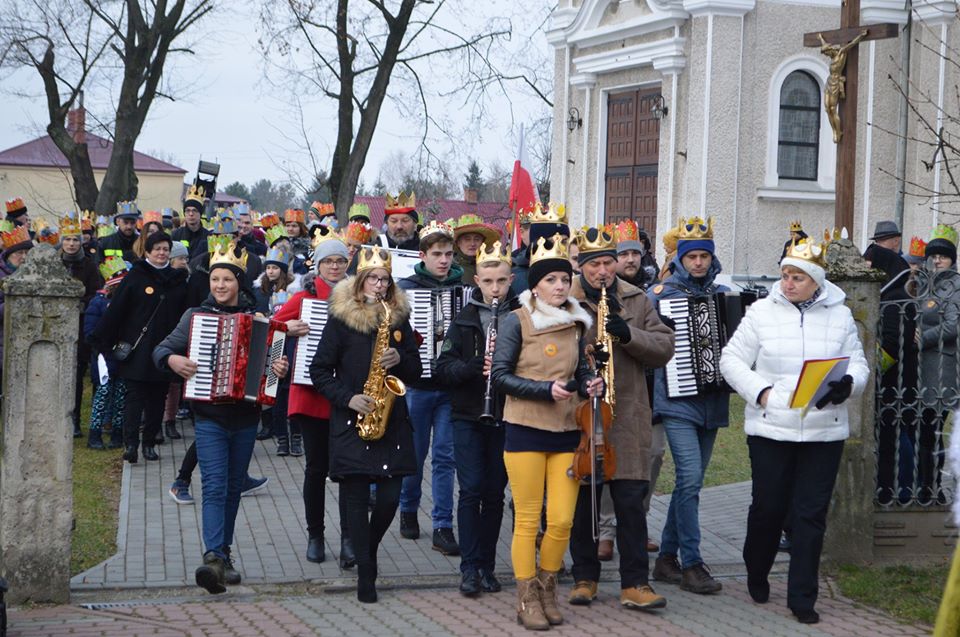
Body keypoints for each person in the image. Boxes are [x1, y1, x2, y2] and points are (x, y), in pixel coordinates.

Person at [719, 237, 868, 624]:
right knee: (768, 507)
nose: (788, 283)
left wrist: (848, 383)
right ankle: (757, 568)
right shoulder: (760, 313)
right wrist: (761, 392)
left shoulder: (840, 314)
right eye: (785, 275)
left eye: (797, 277)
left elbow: (859, 362)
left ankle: (803, 596)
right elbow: (731, 360)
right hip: (771, 428)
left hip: (824, 430)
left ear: (815, 281)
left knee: (810, 514)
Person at [154, 241, 290, 594]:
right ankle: (212, 555)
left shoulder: (259, 319)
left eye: (227, 279)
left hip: (245, 416)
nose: (219, 286)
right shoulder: (195, 317)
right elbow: (162, 349)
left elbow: (273, 373)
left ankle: (223, 557)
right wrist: (173, 362)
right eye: (215, 279)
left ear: (238, 283)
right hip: (209, 415)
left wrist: (278, 368)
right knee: (214, 485)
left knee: (232, 488)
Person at [491, 233, 603, 630]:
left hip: (567, 431)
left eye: (564, 279)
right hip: (524, 429)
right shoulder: (516, 321)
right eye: (551, 280)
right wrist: (543, 390)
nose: (559, 286)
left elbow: (582, 370)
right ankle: (526, 599)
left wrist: (593, 383)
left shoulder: (577, 323)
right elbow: (500, 377)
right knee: (526, 520)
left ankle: (547, 587)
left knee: (560, 521)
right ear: (534, 285)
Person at [567, 227, 675, 612]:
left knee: (631, 502)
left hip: (627, 416)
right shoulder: (567, 299)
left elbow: (664, 347)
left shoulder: (638, 299)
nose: (603, 271)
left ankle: (635, 582)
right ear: (581, 267)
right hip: (583, 417)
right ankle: (584, 577)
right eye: (594, 264)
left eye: (608, 262)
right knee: (584, 504)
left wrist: (628, 334)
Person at [309, 247, 423, 603]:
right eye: (372, 278)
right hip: (351, 420)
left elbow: (417, 371)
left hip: (392, 421)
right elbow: (319, 371)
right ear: (359, 282)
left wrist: (400, 358)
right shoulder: (341, 319)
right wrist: (348, 398)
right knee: (356, 498)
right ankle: (365, 576)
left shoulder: (399, 319)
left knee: (389, 499)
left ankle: (367, 552)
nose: (378, 284)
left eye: (384, 280)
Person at [648, 216, 728, 595]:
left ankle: (665, 559)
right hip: (676, 400)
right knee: (691, 479)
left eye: (703, 256)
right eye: (692, 256)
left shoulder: (726, 295)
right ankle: (692, 564)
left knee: (688, 484)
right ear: (680, 258)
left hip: (713, 403)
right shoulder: (660, 295)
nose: (698, 263)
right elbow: (647, 346)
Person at [435, 240, 518, 597]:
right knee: (470, 491)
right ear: (477, 282)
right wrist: (475, 366)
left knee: (495, 493)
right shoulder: (464, 320)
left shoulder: (520, 317)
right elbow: (443, 370)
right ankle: (468, 567)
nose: (495, 288)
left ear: (511, 280)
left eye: (501, 281)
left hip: (507, 415)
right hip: (469, 415)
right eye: (488, 281)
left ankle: (487, 564)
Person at [273, 234, 353, 567]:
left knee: (349, 472)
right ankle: (316, 535)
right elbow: (269, 327)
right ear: (317, 266)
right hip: (309, 394)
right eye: (328, 262)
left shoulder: (358, 296)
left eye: (340, 261)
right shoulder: (304, 297)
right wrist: (287, 329)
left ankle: (350, 539)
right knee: (315, 469)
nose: (334, 267)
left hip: (348, 397)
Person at [396, 221, 464, 554]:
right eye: (437, 254)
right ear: (423, 255)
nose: (444, 261)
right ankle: (408, 509)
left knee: (445, 457)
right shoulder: (407, 287)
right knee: (414, 452)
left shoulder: (463, 288)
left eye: (449, 254)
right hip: (417, 385)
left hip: (450, 387)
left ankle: (442, 524)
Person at [92, 231, 188, 463]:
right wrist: (104, 339)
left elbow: (184, 312)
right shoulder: (136, 276)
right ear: (147, 252)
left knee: (158, 397)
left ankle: (149, 443)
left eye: (166, 249)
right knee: (134, 398)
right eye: (157, 249)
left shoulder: (177, 280)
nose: (162, 253)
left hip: (165, 348)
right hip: (137, 348)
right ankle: (131, 444)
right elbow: (118, 310)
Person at [914, 227, 960, 505]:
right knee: (925, 431)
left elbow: (954, 325)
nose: (938, 261)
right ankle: (924, 488)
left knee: (934, 429)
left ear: (952, 260)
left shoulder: (954, 286)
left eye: (943, 256)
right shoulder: (928, 283)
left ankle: (934, 490)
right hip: (923, 368)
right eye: (934, 256)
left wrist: (925, 338)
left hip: (942, 367)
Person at [60, 212, 103, 438]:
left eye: (75, 239)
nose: (71, 243)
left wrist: (79, 305)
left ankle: (75, 418)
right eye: (67, 239)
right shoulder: (54, 264)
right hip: (56, 327)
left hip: (79, 326)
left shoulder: (89, 265)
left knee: (77, 376)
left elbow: (95, 294)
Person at [84, 257, 130, 450]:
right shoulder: (98, 303)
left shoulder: (129, 304)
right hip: (104, 356)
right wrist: (104, 347)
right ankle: (95, 433)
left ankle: (117, 433)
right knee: (102, 395)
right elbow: (90, 332)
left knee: (120, 396)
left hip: (123, 356)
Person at [0, 221, 34, 380]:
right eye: (19, 252)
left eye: (27, 252)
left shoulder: (35, 275)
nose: (24, 257)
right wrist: (16, 305)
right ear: (8, 255)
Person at [450, 214, 499, 285]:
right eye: (467, 239)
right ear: (458, 243)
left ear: (482, 243)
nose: (472, 243)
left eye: (477, 239)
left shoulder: (491, 266)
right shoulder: (451, 268)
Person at [253, 246, 298, 315]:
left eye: (275, 268)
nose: (270, 272)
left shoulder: (291, 289)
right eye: (268, 268)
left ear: (282, 271)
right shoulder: (259, 289)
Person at [172, 185, 211, 260]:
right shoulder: (176, 235)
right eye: (188, 211)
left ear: (200, 213)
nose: (191, 214)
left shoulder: (208, 237)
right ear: (184, 213)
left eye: (194, 210)